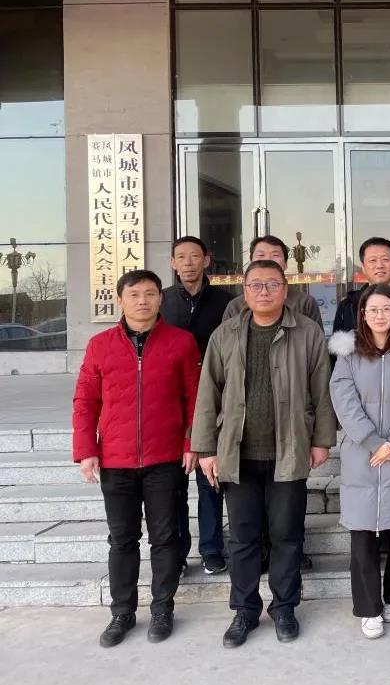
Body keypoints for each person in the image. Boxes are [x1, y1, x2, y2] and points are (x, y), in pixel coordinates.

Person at [191, 259, 337, 648]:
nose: (264, 291)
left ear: (285, 290)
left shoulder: (306, 332)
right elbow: (208, 393)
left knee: (287, 534)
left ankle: (284, 607)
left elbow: (321, 389)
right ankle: (245, 609)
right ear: (245, 291)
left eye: (272, 284)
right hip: (238, 454)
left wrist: (322, 440)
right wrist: (205, 448)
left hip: (289, 450)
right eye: (255, 285)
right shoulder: (225, 334)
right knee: (243, 537)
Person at [72, 269, 201, 647]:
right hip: (116, 459)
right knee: (122, 539)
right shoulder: (100, 345)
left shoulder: (181, 342)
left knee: (165, 537)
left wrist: (192, 442)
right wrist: (86, 450)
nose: (142, 301)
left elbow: (195, 398)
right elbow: (85, 400)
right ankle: (122, 612)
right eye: (134, 294)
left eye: (150, 294)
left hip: (165, 458)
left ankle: (162, 609)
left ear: (161, 298)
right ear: (120, 300)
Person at [328, 284, 390, 640]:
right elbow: (343, 398)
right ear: (362, 315)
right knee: (363, 535)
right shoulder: (349, 353)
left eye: (387, 309)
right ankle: (368, 608)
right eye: (373, 310)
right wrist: (372, 441)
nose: (380, 315)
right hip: (362, 455)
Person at [160, 236, 232, 576]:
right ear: (173, 262)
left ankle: (211, 548)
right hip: (170, 401)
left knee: (210, 477)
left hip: (214, 396)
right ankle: (177, 550)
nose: (188, 263)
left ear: (207, 259)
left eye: (194, 256)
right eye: (181, 257)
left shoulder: (226, 302)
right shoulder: (161, 301)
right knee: (173, 483)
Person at [222, 235, 323, 328]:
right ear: (251, 262)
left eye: (275, 255)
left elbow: (316, 339)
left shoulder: (305, 303)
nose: (268, 259)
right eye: (261, 255)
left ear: (285, 264)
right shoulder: (235, 307)